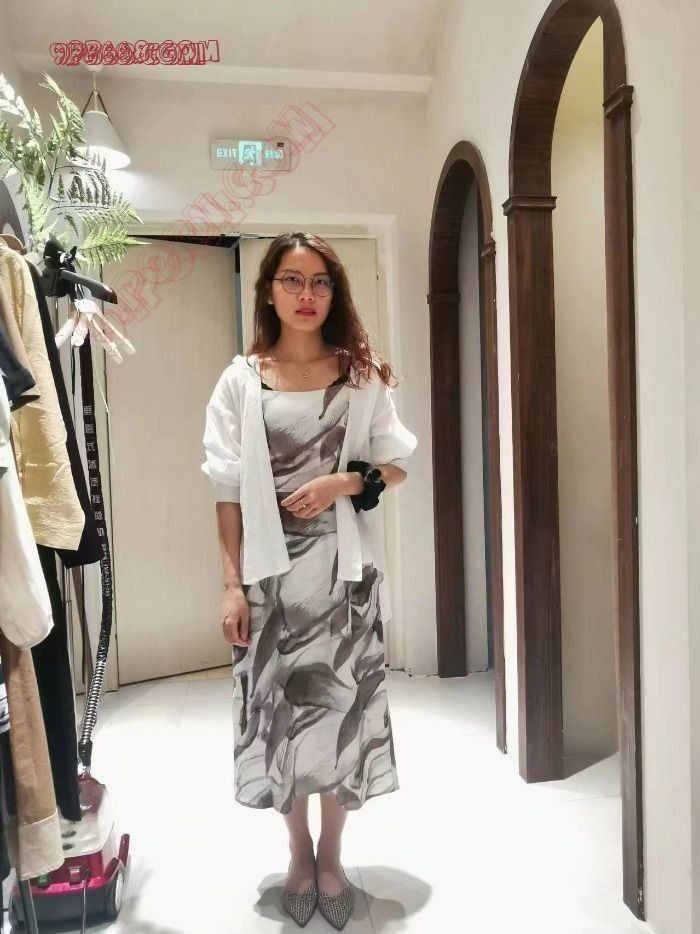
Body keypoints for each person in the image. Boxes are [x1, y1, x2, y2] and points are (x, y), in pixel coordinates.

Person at [202, 231, 417, 929]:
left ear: (335, 292)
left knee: (342, 713)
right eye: (292, 281)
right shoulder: (241, 381)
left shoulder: (361, 376)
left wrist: (341, 483)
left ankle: (332, 855)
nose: (306, 294)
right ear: (269, 291)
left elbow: (395, 465)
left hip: (343, 578)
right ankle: (298, 853)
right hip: (271, 583)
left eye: (320, 281)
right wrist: (231, 585)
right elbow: (227, 490)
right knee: (282, 718)